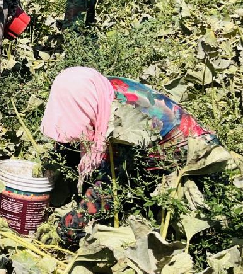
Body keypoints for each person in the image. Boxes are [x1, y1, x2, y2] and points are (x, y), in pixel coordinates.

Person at [40, 66, 218, 243]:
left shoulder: (122, 117)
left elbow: (108, 189)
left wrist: (69, 226)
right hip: (148, 148)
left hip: (194, 155)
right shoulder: (98, 89)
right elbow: (67, 134)